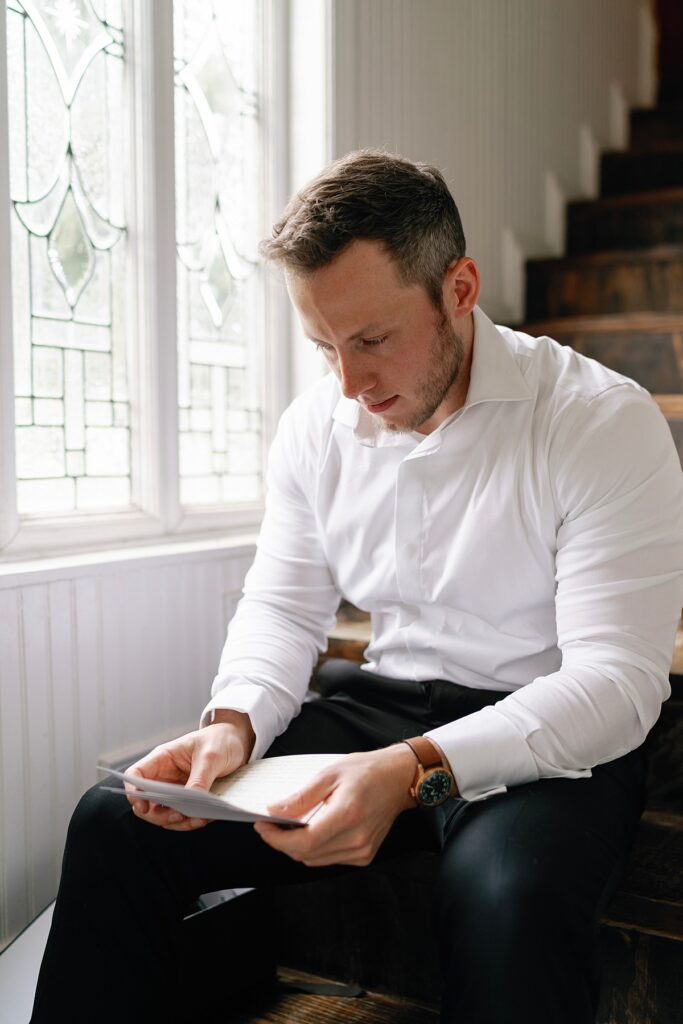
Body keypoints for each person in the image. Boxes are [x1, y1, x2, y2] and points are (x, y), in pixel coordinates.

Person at [30, 150, 683, 1024]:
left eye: (371, 339)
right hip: (377, 705)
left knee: (505, 900)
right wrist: (234, 723)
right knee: (115, 823)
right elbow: (283, 602)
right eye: (323, 346)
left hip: (545, 730)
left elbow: (616, 682)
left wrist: (413, 774)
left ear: (458, 286)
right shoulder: (318, 425)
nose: (349, 384)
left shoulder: (600, 421)